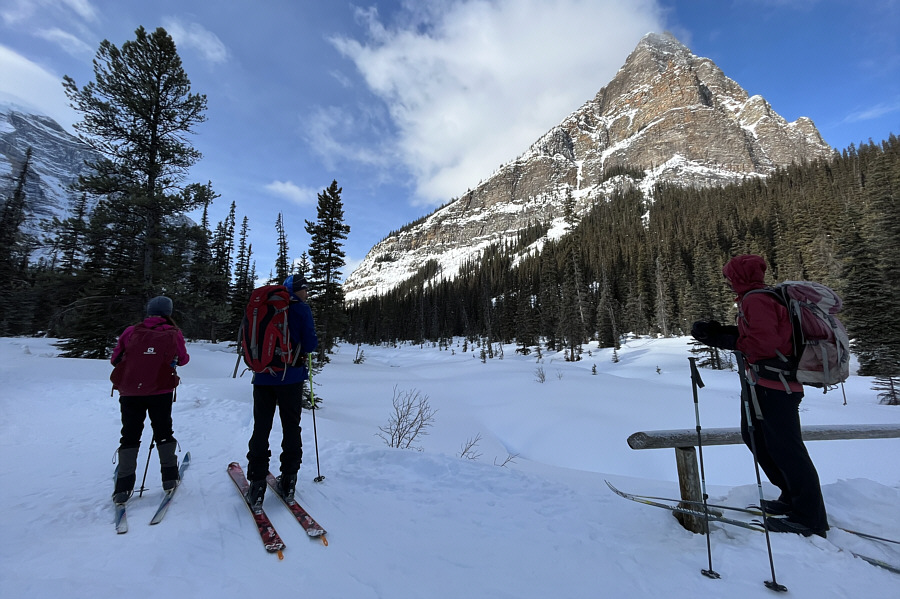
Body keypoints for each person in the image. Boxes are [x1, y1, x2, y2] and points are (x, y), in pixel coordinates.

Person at [691, 254, 829, 538]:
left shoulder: (757, 300)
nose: (727, 281)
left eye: (730, 276)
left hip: (776, 386)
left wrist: (722, 339)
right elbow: (760, 335)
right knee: (757, 437)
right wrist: (721, 333)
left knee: (786, 449)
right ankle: (791, 497)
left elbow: (763, 344)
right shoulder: (756, 299)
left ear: (740, 276)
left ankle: (809, 517)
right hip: (764, 383)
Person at [245, 275, 318, 509]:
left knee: (261, 427)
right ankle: (288, 481)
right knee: (291, 427)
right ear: (297, 291)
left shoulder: (263, 307)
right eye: (304, 289)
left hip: (263, 377)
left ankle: (256, 484)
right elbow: (310, 345)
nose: (307, 293)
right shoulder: (301, 310)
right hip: (291, 379)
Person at [110, 295, 190, 503]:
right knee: (163, 432)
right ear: (168, 312)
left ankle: (123, 486)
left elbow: (115, 359)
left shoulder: (131, 331)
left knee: (129, 435)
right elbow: (184, 359)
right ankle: (170, 478)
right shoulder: (173, 333)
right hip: (160, 390)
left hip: (130, 392)